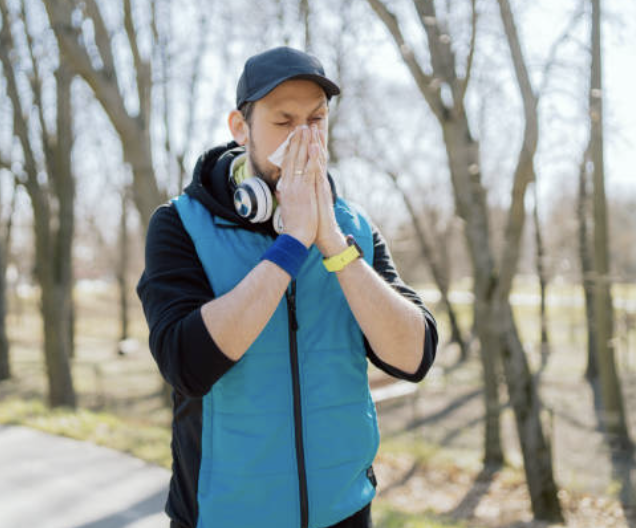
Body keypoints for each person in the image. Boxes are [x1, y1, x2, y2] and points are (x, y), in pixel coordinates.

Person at [136, 46, 438, 528]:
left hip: (344, 511)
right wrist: (292, 244)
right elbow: (186, 365)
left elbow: (413, 357)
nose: (303, 139)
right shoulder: (179, 225)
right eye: (284, 121)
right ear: (240, 128)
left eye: (315, 121)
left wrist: (332, 244)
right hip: (223, 515)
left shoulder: (353, 227)